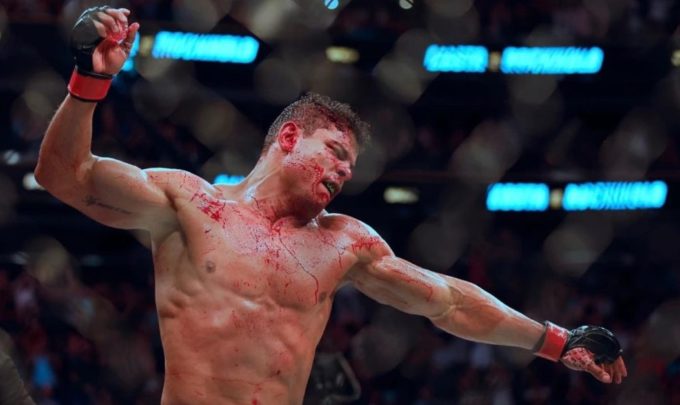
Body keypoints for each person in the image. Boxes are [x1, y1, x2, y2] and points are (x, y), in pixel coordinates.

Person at [35, 6, 628, 405]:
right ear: (289, 139)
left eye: (351, 166)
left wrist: (554, 340)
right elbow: (65, 176)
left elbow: (445, 302)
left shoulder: (343, 242)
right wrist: (90, 79)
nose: (345, 172)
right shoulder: (189, 204)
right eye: (337, 153)